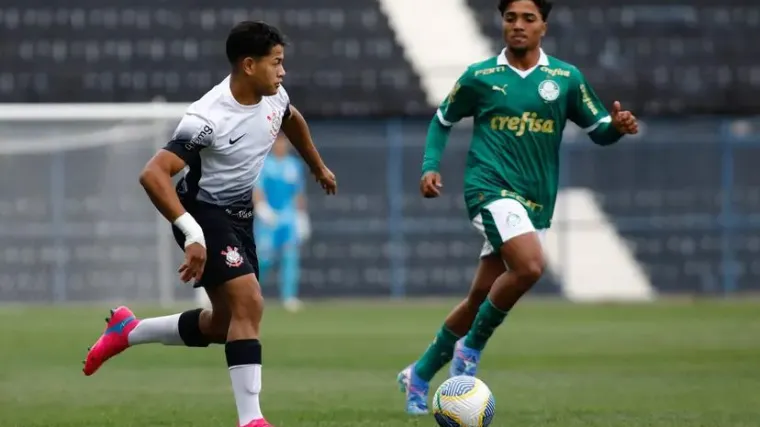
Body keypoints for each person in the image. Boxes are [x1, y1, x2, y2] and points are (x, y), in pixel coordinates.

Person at [82, 21, 337, 427]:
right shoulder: (208, 116)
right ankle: (251, 420)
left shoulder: (274, 96)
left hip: (238, 216)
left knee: (224, 324)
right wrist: (192, 233)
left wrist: (317, 167)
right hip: (201, 212)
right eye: (277, 63)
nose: (283, 72)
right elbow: (153, 174)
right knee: (250, 303)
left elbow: (292, 119)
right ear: (249, 65)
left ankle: (128, 330)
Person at [397, 0, 639, 415]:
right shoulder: (481, 76)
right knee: (529, 266)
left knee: (478, 298)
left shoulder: (564, 78)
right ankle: (469, 350)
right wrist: (430, 166)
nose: (518, 26)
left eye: (528, 18)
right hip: (488, 188)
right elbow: (442, 118)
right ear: (502, 24)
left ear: (544, 25)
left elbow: (598, 129)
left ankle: (418, 374)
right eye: (511, 18)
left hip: (535, 202)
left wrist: (616, 129)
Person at [254, 133, 311, 312]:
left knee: (290, 256)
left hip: (289, 217)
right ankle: (252, 294)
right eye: (277, 142)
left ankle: (289, 297)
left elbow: (298, 193)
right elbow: (257, 190)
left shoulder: (294, 166)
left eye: (284, 142)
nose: (281, 145)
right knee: (263, 259)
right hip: (269, 218)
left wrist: (302, 217)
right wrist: (262, 208)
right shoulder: (263, 165)